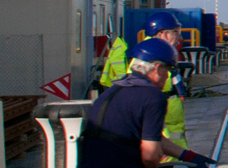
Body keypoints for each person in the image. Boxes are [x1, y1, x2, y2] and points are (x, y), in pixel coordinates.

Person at [79, 38, 216, 167]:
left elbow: (151, 137)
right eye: (168, 70)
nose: (167, 76)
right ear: (157, 68)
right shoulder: (153, 96)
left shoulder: (115, 90)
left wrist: (188, 156)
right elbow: (149, 156)